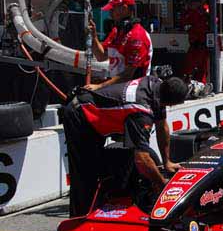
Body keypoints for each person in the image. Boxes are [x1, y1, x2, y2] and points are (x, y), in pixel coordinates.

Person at [62, 76, 189, 217]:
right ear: (170, 102)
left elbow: (162, 126)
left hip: (97, 116)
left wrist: (167, 162)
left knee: (121, 160)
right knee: (85, 174)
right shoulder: (141, 111)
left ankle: (111, 202)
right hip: (80, 114)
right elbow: (142, 159)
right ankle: (79, 221)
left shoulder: (156, 85)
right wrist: (161, 184)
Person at [86, 0, 153, 91]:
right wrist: (94, 36)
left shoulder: (137, 36)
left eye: (113, 9)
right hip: (117, 87)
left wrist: (99, 86)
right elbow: (101, 56)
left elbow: (127, 75)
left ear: (124, 9)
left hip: (134, 90)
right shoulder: (117, 31)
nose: (110, 13)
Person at [181, 0, 210, 83]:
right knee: (189, 65)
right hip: (195, 43)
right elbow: (185, 23)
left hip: (202, 43)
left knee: (202, 66)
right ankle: (189, 81)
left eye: (194, 2)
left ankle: (201, 83)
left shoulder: (205, 10)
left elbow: (213, 21)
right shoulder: (191, 12)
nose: (191, 4)